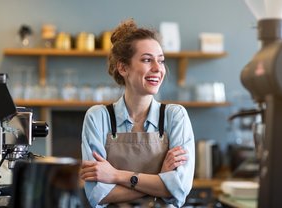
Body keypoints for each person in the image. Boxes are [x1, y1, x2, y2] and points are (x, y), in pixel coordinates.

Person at [80, 19, 195, 208]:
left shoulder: (175, 116)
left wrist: (116, 176)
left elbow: (180, 189)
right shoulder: (98, 117)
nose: (158, 69)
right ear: (123, 67)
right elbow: (97, 195)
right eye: (147, 60)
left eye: (161, 60)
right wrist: (160, 180)